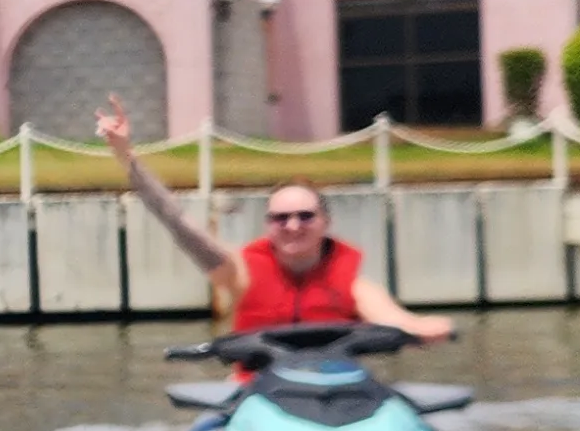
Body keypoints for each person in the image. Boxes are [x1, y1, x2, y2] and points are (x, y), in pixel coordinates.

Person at [96, 99, 454, 341]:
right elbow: (176, 221)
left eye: (305, 216)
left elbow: (400, 323)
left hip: (337, 393)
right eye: (281, 218)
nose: (293, 226)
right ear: (268, 225)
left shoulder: (356, 288)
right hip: (260, 394)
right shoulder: (238, 273)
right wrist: (124, 153)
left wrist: (424, 330)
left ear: (325, 222)